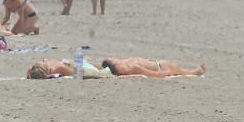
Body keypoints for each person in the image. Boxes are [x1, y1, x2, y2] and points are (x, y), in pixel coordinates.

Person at [26, 57, 206, 79]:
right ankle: (194, 72)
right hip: (160, 66)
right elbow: (150, 73)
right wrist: (163, 74)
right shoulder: (130, 67)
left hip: (90, 66)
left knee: (176, 68)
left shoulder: (124, 64)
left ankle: (193, 71)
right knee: (178, 69)